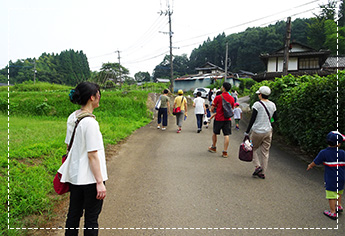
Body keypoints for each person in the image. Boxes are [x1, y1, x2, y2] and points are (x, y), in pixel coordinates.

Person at [59, 82, 108, 236]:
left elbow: (69, 145)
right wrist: (100, 182)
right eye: (98, 95)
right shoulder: (91, 123)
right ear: (92, 97)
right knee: (91, 219)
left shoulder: (73, 117)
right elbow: (92, 155)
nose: (99, 97)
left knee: (73, 215)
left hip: (75, 177)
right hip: (91, 179)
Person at [307, 131, 345, 220]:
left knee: (331, 195)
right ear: (339, 144)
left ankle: (332, 212)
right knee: (339, 191)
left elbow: (316, 161)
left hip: (331, 178)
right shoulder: (343, 153)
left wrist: (310, 166)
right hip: (341, 177)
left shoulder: (324, 152)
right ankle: (338, 205)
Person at [245, 86, 277, 179]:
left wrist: (247, 131)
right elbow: (275, 118)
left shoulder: (257, 104)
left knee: (252, 148)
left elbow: (252, 119)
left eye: (259, 94)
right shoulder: (273, 105)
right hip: (268, 131)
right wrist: (268, 121)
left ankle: (257, 166)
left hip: (257, 131)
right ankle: (262, 172)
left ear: (261, 94)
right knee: (265, 152)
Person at [208, 82, 235, 158]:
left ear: (223, 88)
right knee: (226, 135)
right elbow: (232, 108)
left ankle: (213, 147)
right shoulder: (232, 98)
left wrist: (214, 109)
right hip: (227, 119)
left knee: (215, 133)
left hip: (219, 118)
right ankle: (225, 152)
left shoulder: (218, 97)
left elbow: (212, 109)